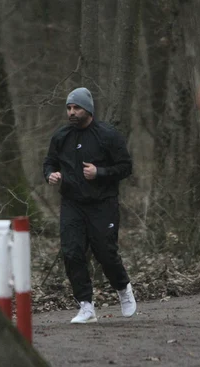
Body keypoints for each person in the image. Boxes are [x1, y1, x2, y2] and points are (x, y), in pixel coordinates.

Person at [43, 87, 137, 324]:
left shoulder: (108, 135)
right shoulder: (61, 136)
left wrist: (100, 172)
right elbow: (50, 162)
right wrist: (50, 175)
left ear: (89, 110)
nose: (72, 112)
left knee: (105, 253)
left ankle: (123, 288)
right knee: (72, 252)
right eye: (69, 108)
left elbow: (126, 167)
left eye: (77, 108)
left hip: (102, 203)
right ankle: (86, 306)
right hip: (72, 203)